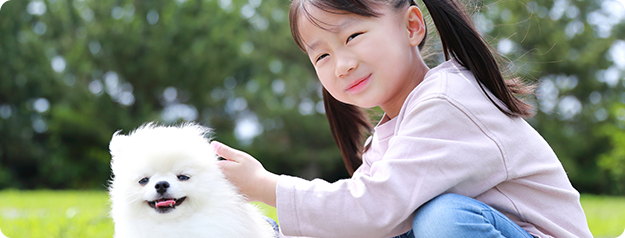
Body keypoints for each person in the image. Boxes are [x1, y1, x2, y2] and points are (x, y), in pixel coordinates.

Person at [212, 0, 593, 237]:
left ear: (412, 26)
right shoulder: (388, 138)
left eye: (353, 36)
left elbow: (372, 210)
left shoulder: (448, 101)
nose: (342, 65)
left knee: (443, 220)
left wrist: (266, 185)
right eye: (321, 57)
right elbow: (358, 225)